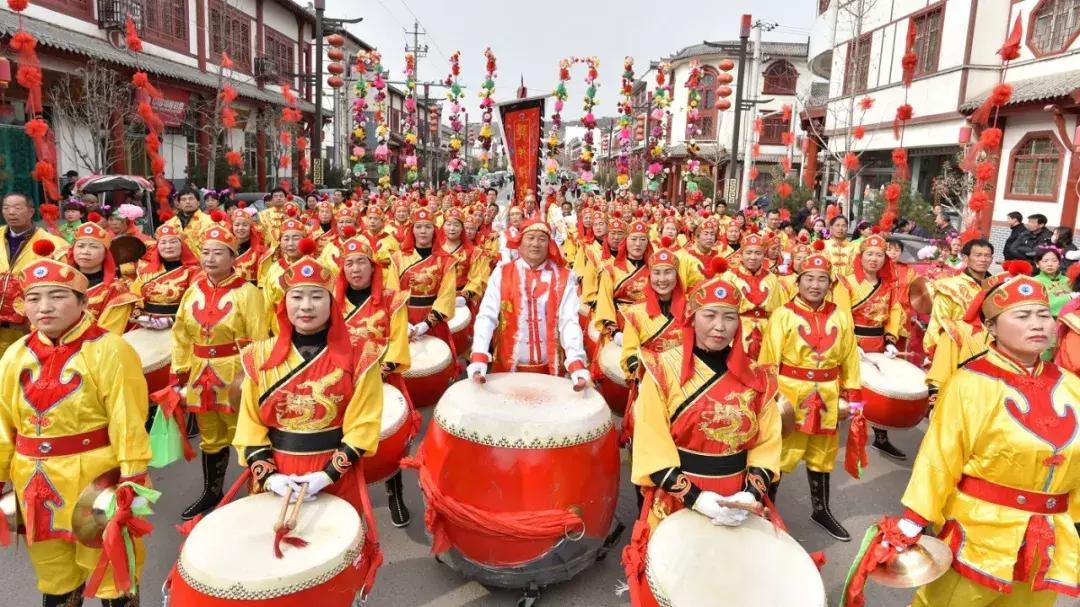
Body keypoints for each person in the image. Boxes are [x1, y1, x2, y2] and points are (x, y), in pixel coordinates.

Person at [883, 271, 1079, 607]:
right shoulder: (969, 383)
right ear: (991, 327)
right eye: (1022, 315)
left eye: (1043, 315)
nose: (1037, 324)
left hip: (1046, 540)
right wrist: (913, 521)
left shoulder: (1071, 385)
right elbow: (940, 458)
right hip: (979, 534)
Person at [0, 249, 152, 606]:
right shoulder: (15, 354)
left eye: (57, 295)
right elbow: (4, 423)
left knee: (114, 574)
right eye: (34, 298)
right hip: (35, 484)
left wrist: (133, 480)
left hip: (97, 481)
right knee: (55, 579)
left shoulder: (109, 349)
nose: (44, 307)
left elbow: (128, 419)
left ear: (83, 301)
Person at [623, 271, 781, 606]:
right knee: (673, 582)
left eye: (729, 317)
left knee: (725, 586)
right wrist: (696, 498)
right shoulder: (661, 370)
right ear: (692, 319)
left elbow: (766, 445)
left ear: (740, 324)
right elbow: (651, 445)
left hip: (736, 495)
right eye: (710, 316)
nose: (719, 327)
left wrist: (750, 496)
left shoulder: (758, 378)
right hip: (677, 495)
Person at [233, 249, 383, 599]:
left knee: (330, 567)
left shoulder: (362, 355)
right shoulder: (258, 357)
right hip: (276, 473)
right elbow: (250, 426)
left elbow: (363, 425)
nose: (306, 306)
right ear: (284, 304)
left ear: (332, 303)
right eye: (297, 297)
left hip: (333, 474)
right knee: (274, 569)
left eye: (317, 296)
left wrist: (326, 475)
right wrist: (269, 477)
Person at [759, 249, 860, 541]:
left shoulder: (841, 316)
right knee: (779, 455)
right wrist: (773, 399)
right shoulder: (783, 315)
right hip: (791, 394)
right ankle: (766, 509)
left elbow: (850, 359)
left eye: (822, 280)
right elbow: (768, 360)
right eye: (809, 279)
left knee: (822, 456)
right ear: (798, 281)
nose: (815, 285)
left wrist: (853, 398)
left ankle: (821, 509)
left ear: (830, 284)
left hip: (828, 396)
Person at [171, 225, 269, 520]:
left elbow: (260, 338)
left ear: (233, 257)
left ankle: (259, 494)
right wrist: (180, 372)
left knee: (246, 434)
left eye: (218, 253)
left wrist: (253, 377)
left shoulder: (248, 293)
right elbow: (180, 335)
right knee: (210, 438)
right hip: (201, 375)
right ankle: (212, 492)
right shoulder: (192, 290)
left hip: (236, 374)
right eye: (205, 252)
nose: (210, 259)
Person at [337, 231, 414, 526]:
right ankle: (347, 501)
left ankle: (395, 493)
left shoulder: (392, 301)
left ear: (373, 266)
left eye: (361, 262)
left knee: (388, 442)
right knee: (345, 441)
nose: (355, 269)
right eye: (349, 263)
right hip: (344, 383)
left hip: (382, 380)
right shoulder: (333, 303)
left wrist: (375, 374)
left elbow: (397, 342)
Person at [468, 220, 590, 384]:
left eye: (542, 239)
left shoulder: (564, 277)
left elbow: (569, 321)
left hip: (551, 367)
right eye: (530, 237)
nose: (536, 244)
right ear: (520, 242)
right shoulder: (502, 273)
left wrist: (576, 360)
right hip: (508, 365)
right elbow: (487, 316)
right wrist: (479, 354)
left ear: (549, 244)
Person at [832, 234, 907, 460]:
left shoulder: (889, 285)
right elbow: (841, 314)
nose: (874, 259)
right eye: (870, 254)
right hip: (852, 341)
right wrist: (851, 343)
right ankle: (834, 431)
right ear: (861, 256)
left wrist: (891, 339)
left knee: (878, 388)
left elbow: (895, 311)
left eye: (879, 255)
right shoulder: (846, 282)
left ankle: (880, 437)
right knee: (845, 385)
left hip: (877, 342)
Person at [0, 193, 70, 354]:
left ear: (31, 212)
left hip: (30, 325)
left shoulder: (54, 245)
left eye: (17, 208)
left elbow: (63, 286)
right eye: (6, 208)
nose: (11, 212)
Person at [392, 202, 458, 349]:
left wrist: (426, 324)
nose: (423, 231)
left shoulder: (446, 260)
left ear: (434, 231)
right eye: (418, 227)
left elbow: (446, 296)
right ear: (412, 230)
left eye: (428, 227)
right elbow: (392, 292)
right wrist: (403, 322)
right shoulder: (397, 258)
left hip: (433, 320)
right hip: (404, 318)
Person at [923, 239, 994, 358]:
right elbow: (938, 322)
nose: (983, 259)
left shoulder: (997, 286)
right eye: (978, 255)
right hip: (957, 351)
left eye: (987, 256)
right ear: (966, 258)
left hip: (990, 352)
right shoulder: (949, 287)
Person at [720, 229, 784, 359]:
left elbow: (779, 314)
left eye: (758, 253)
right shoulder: (729, 277)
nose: (753, 257)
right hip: (737, 331)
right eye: (748, 253)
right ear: (741, 254)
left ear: (763, 255)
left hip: (766, 333)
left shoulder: (772, 279)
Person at [66, 220, 138, 335]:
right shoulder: (60, 285)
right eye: (80, 246)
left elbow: (109, 334)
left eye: (93, 247)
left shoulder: (117, 290)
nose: (85, 252)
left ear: (106, 254)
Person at [130, 224, 201, 329]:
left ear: (182, 245)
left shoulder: (194, 272)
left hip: (181, 325)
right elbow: (135, 297)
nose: (168, 246)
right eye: (163, 242)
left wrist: (172, 319)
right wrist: (139, 315)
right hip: (148, 325)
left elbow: (198, 303)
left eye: (173, 242)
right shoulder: (145, 271)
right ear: (157, 247)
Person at [1034, 247, 1072, 317]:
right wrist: (1069, 297)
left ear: (1059, 263)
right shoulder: (1033, 282)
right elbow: (1039, 307)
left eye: (1054, 261)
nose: (1050, 264)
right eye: (1045, 261)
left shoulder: (1069, 281)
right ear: (1037, 264)